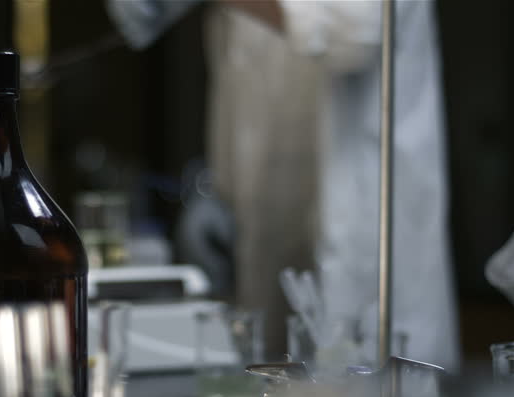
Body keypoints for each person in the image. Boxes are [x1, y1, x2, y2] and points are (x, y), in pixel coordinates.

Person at [108, 0, 460, 371]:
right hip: (267, 244)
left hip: (365, 251)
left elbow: (356, 30)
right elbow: (238, 79)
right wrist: (217, 189)